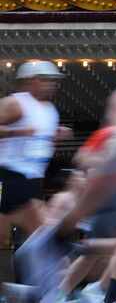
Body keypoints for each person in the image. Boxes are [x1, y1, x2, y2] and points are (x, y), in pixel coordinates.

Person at [0, 61, 70, 241]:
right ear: (31, 80)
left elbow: (39, 137)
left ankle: (31, 264)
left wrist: (55, 133)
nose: (51, 84)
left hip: (33, 177)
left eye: (53, 80)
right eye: (46, 79)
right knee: (40, 229)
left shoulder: (49, 109)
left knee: (12, 230)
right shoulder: (15, 103)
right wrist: (15, 132)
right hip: (13, 172)